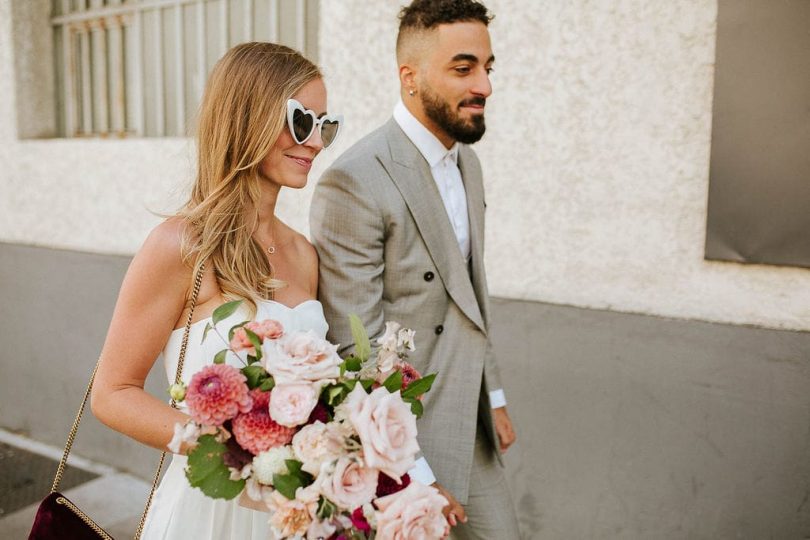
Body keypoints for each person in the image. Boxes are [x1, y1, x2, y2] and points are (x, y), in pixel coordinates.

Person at [91, 42, 340, 539]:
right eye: (300, 121)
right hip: (208, 513)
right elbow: (111, 394)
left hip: (288, 514)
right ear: (248, 117)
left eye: (325, 125)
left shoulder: (303, 254)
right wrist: (223, 449)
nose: (314, 142)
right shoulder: (181, 246)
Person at [310, 0, 520, 538]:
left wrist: (492, 395)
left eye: (487, 68)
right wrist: (415, 474)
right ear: (410, 77)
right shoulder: (354, 180)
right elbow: (354, 344)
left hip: (470, 416)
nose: (485, 86)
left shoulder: (467, 161)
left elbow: (471, 292)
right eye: (463, 68)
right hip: (401, 439)